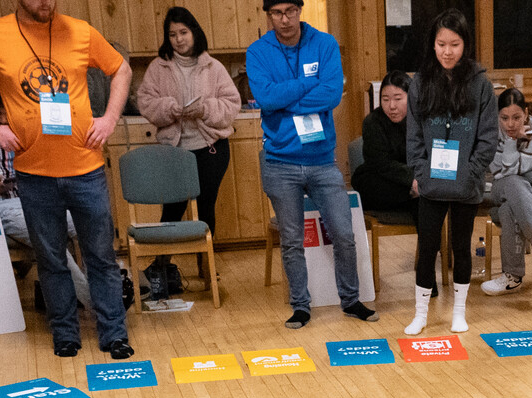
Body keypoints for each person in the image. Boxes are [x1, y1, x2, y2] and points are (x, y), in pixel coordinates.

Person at [0, 0, 135, 359]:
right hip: (34, 175)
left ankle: (114, 334)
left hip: (86, 170)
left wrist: (110, 119)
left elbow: (122, 70)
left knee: (101, 257)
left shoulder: (80, 32)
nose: (45, 2)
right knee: (51, 260)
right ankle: (65, 334)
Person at [248, 0, 377, 330]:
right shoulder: (258, 52)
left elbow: (333, 94)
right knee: (292, 241)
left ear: (300, 10)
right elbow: (266, 98)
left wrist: (286, 97)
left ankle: (350, 300)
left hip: (322, 160)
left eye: (290, 11)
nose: (285, 19)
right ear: (268, 15)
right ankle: (300, 306)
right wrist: (309, 84)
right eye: (277, 13)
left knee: (345, 234)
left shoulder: (325, 44)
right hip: (280, 162)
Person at [403, 9, 497, 335]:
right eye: (441, 43)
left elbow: (488, 139)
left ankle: (459, 312)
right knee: (426, 247)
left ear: (465, 45)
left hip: (466, 184)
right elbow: (414, 136)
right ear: (432, 44)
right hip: (431, 183)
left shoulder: (480, 85)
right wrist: (421, 172)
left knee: (461, 247)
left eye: (454, 44)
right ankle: (420, 315)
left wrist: (471, 174)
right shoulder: (420, 83)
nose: (447, 51)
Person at [138, 8, 241, 300]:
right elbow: (146, 101)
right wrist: (170, 108)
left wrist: (206, 108)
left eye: (183, 32)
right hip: (175, 151)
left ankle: (206, 268)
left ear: (194, 32)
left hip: (211, 148)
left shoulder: (213, 66)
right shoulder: (159, 67)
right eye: (172, 34)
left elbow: (231, 104)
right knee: (172, 209)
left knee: (207, 208)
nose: (178, 39)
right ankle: (160, 267)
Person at [0, 91, 95, 309]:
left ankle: (100, 289)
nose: (0, 114)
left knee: (84, 220)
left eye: (4, 107)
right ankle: (93, 300)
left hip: (35, 198)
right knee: (45, 231)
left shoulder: (28, 126)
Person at [481, 87, 532, 296]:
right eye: (504, 118)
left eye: (517, 117)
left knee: (509, 208)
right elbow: (504, 172)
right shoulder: (492, 131)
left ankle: (512, 278)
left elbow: (515, 169)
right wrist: (512, 141)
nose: (510, 124)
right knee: (514, 184)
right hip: (504, 186)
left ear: (526, 112)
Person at [353, 71, 415, 213]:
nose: (391, 106)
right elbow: (380, 163)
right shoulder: (373, 121)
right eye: (385, 99)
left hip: (415, 177)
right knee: (369, 184)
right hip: (383, 176)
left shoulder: (422, 119)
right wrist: (412, 181)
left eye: (398, 99)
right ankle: (414, 195)